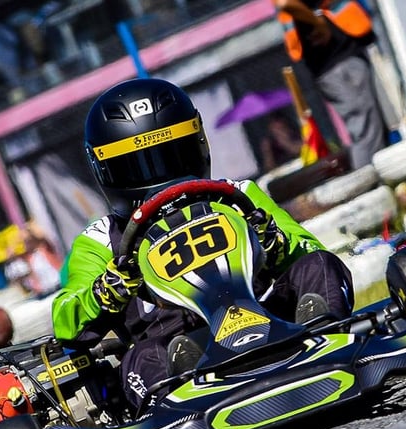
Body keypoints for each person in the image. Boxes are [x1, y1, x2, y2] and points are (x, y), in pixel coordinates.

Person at [51, 78, 354, 409]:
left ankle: (327, 335)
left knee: (319, 265)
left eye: (171, 155)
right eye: (137, 166)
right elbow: (65, 319)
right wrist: (104, 293)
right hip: (176, 347)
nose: (159, 178)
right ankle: (176, 402)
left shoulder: (238, 196)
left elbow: (307, 250)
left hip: (271, 317)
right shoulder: (100, 241)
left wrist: (275, 242)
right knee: (142, 356)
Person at [273, 0, 388, 170]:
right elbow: (286, 3)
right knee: (365, 132)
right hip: (338, 64)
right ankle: (371, 186)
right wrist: (317, 22)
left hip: (342, 57)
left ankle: (380, 183)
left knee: (371, 129)